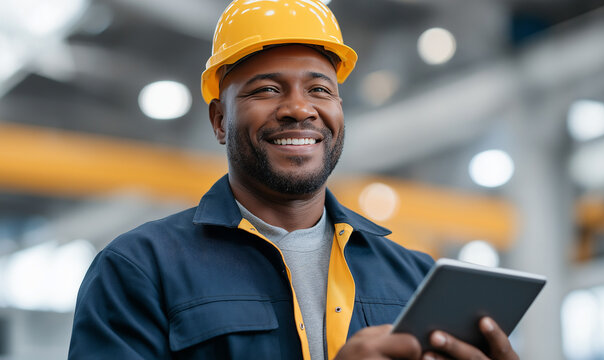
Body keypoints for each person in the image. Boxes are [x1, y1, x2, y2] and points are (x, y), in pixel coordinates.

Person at [68, 1, 520, 359]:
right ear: (220, 120)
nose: (300, 108)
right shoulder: (139, 271)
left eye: (320, 89)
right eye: (267, 89)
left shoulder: (417, 277)